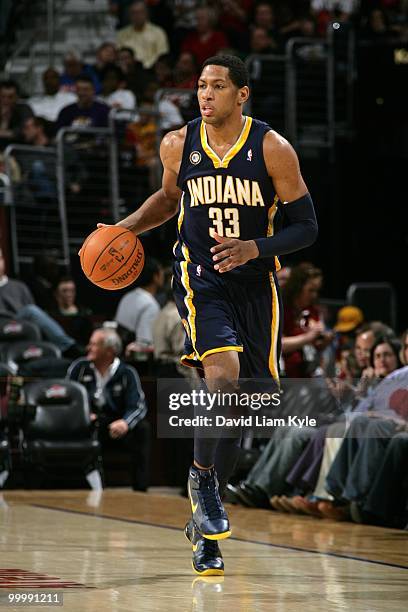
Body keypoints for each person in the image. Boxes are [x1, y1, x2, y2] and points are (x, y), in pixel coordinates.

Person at [93, 54, 318, 575]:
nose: (206, 94)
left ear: (242, 94)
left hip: (255, 284)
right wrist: (124, 229)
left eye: (218, 86)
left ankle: (206, 528)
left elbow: (306, 227)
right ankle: (201, 480)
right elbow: (170, 200)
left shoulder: (271, 148)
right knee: (223, 374)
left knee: (246, 412)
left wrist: (254, 248)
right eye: (201, 85)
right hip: (201, 279)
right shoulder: (178, 143)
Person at [67, 328, 150, 490]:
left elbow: (138, 406)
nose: (88, 348)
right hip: (90, 422)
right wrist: (83, 415)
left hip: (117, 423)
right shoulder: (80, 368)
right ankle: (89, 487)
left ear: (109, 351)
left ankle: (141, 490)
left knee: (143, 429)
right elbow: (69, 397)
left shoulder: (127, 373)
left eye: (94, 344)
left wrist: (125, 423)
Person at [0, 246, 82, 358]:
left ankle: (60, 351)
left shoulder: (19, 286)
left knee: (33, 313)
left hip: (21, 324)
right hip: (3, 324)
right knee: (31, 311)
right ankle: (69, 347)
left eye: (0, 258)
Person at [115, 257, 163, 349]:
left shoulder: (128, 296)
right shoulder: (150, 305)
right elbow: (145, 343)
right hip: (134, 359)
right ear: (155, 277)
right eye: (161, 272)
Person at [116, 1, 169, 69]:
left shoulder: (158, 32)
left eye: (140, 12)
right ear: (129, 15)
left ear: (146, 14)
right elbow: (120, 56)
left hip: (152, 71)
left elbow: (162, 56)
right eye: (134, 13)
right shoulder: (121, 34)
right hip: (129, 71)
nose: (137, 16)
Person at [0, 80, 33, 150]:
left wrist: (6, 133)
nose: (6, 101)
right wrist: (4, 120)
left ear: (17, 97)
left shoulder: (24, 109)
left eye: (10, 97)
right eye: (3, 97)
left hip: (19, 150)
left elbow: (24, 133)